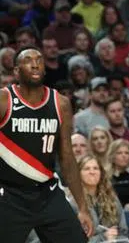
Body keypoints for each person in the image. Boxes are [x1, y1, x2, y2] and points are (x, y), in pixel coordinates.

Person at [0, 47, 93, 242]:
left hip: (47, 193)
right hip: (9, 196)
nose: (35, 64)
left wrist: (82, 207)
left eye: (39, 60)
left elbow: (67, 158)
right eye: (28, 60)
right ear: (16, 71)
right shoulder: (4, 100)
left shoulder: (60, 103)